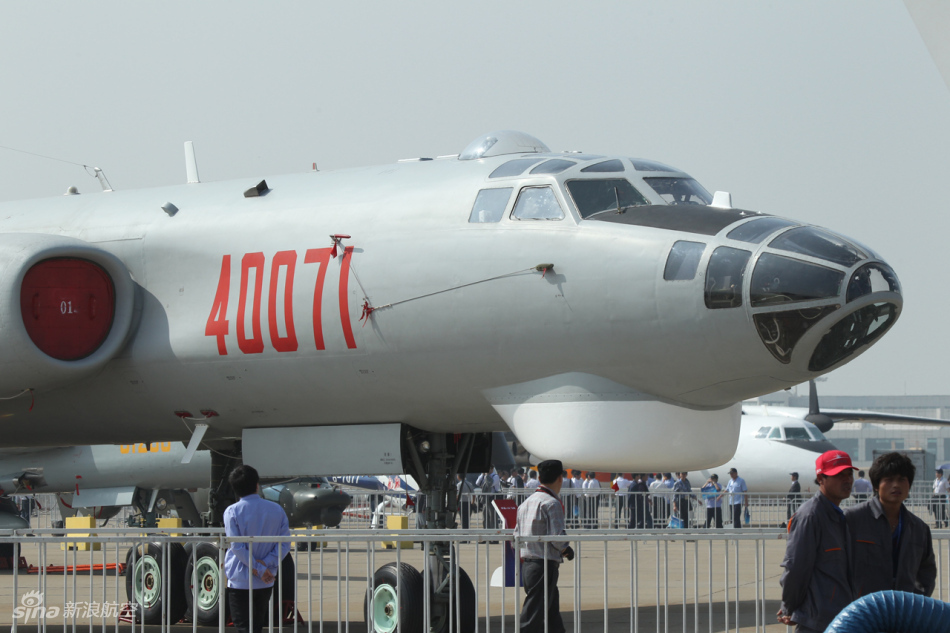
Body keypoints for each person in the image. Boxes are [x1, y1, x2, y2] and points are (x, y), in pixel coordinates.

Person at [778, 450, 857, 633]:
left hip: (840, 618)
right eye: (838, 475)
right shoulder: (810, 516)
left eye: (849, 474)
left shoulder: (839, 516)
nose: (847, 480)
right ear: (821, 478)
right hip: (817, 621)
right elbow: (796, 567)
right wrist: (789, 606)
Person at [845, 452, 936, 598]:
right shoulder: (852, 519)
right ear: (876, 485)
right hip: (863, 611)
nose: (896, 485)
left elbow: (927, 571)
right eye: (889, 479)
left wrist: (918, 600)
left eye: (902, 480)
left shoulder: (919, 528)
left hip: (904, 612)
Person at [224, 465, 291, 633]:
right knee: (257, 626)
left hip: (240, 579)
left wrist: (258, 568)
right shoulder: (277, 510)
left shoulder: (232, 512)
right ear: (257, 485)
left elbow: (237, 547)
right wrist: (266, 565)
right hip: (266, 580)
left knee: (243, 627)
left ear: (235, 489)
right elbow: (285, 543)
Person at [515, 459, 574, 633]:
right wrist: (566, 549)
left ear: (539, 477)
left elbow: (516, 536)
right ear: (560, 478)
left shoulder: (526, 503)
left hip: (528, 564)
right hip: (544, 565)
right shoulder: (551, 503)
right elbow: (556, 537)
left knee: (550, 612)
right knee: (533, 615)